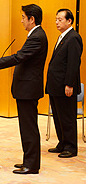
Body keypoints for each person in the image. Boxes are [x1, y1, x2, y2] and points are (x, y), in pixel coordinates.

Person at [0, 4, 48, 174]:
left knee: (29, 128)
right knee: (26, 126)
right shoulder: (35, 35)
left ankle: (32, 165)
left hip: (28, 88)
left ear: (31, 19)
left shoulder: (37, 36)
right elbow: (22, 56)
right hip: (26, 88)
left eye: (23, 17)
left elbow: (19, 57)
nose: (21, 20)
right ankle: (29, 160)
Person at [46, 9, 83, 158]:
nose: (57, 22)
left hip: (65, 86)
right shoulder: (62, 37)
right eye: (56, 19)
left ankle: (71, 147)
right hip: (56, 85)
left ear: (69, 21)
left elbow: (73, 63)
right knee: (58, 116)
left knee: (67, 117)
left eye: (60, 19)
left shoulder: (73, 37)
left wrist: (69, 84)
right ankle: (62, 142)